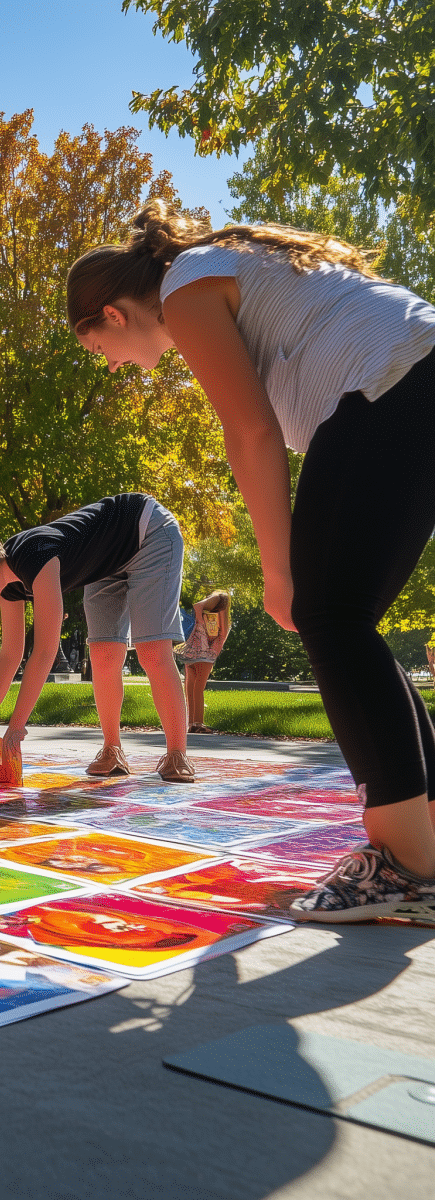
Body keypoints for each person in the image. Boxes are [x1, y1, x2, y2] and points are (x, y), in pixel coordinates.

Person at [68, 199, 435, 922]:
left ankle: (407, 867)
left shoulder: (183, 286)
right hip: (412, 380)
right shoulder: (217, 265)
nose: (113, 365)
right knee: (346, 619)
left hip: (392, 385)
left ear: (112, 314)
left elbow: (252, 434)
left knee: (329, 614)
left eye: (100, 349)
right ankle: (423, 844)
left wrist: (279, 571)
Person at [0, 493, 192, 782]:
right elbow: (11, 653)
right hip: (106, 560)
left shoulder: (36, 557)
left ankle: (177, 754)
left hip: (146, 531)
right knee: (103, 654)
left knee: (152, 651)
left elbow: (44, 651)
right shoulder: (7, 583)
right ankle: (112, 750)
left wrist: (16, 727)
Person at [178, 590, 232, 733]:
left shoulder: (207, 612)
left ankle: (191, 724)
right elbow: (222, 634)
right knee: (198, 688)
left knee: (190, 688)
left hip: (191, 652)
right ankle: (198, 724)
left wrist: (199, 620)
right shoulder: (221, 601)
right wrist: (214, 652)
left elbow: (197, 607)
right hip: (205, 653)